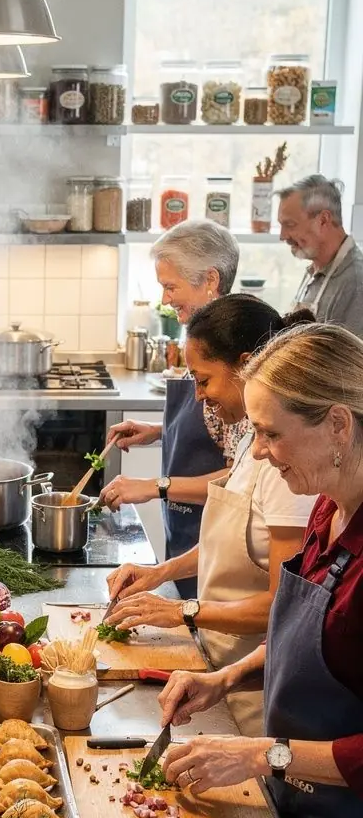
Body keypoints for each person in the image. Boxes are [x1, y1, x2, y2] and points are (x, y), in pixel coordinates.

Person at [158, 324, 363, 818]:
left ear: (337, 425)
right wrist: (229, 677)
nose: (264, 453)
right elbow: (309, 642)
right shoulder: (326, 510)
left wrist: (257, 754)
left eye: (272, 434)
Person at [106, 296, 316, 734]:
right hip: (214, 670)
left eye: (204, 381)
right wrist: (160, 573)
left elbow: (281, 606)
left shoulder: (287, 470)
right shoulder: (251, 441)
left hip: (250, 694)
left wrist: (183, 610)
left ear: (245, 365)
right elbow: (229, 544)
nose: (198, 396)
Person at [100, 220, 241, 597]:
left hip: (218, 543)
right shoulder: (202, 337)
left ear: (210, 279)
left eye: (170, 286)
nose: (165, 299)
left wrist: (152, 487)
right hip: (186, 532)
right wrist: (160, 430)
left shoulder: (232, 351)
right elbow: (214, 426)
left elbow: (240, 478)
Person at [278, 173, 363, 334]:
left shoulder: (357, 282)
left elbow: (353, 358)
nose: (283, 236)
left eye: (290, 224)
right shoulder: (315, 269)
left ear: (323, 220)